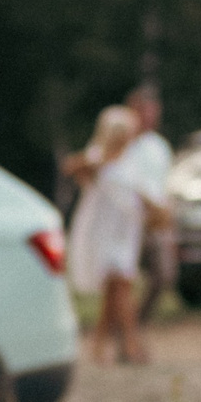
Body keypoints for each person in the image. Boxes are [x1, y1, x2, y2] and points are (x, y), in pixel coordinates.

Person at [63, 104, 152, 364]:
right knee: (121, 287)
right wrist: (97, 162)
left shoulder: (131, 159)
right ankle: (132, 346)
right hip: (103, 232)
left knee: (115, 292)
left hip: (126, 232)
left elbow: (139, 193)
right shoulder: (97, 157)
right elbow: (71, 168)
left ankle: (99, 347)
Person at [114, 82, 175, 314]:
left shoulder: (159, 147)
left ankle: (137, 323)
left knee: (163, 275)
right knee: (122, 279)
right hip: (128, 220)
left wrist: (168, 225)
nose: (149, 117)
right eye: (144, 111)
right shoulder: (122, 145)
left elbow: (165, 187)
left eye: (152, 111)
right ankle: (125, 334)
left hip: (154, 222)